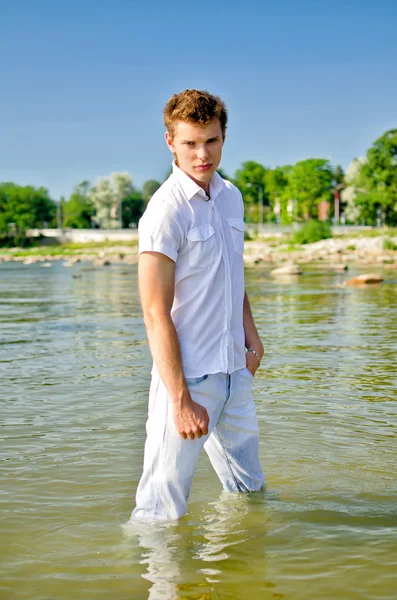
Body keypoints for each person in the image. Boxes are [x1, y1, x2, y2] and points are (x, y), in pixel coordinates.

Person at [130, 89, 264, 522]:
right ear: (170, 141)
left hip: (234, 372)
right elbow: (154, 311)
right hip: (188, 381)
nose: (202, 154)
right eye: (190, 143)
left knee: (250, 494)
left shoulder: (232, 197)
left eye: (211, 141)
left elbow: (232, 276)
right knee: (161, 508)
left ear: (224, 137)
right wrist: (181, 398)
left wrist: (252, 341)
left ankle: (238, 576)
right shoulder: (164, 212)